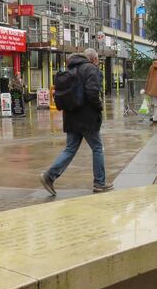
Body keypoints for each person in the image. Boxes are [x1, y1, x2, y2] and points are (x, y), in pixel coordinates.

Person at [40, 49, 113, 195]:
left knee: (70, 149)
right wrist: (99, 107)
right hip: (87, 118)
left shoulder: (71, 68)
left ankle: (49, 176)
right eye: (97, 60)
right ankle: (99, 183)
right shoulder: (91, 69)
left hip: (71, 116)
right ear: (94, 59)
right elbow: (92, 92)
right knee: (97, 148)